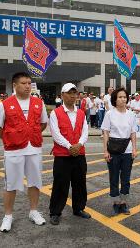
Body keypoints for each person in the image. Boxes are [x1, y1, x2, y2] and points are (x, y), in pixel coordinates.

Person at [0, 72, 48, 232]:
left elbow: (43, 123)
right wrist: (10, 137)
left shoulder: (38, 103)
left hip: (34, 148)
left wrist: (30, 133)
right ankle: (8, 216)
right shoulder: (5, 104)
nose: (28, 86)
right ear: (15, 85)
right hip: (13, 150)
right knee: (11, 184)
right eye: (23, 83)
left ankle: (34, 211)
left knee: (35, 182)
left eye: (29, 83)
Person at [48, 83, 91, 225]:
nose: (73, 96)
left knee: (80, 183)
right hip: (62, 156)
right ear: (62, 95)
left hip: (79, 154)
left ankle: (78, 208)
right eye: (69, 93)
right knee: (60, 184)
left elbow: (85, 131)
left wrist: (79, 144)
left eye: (75, 93)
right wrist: (69, 146)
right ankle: (55, 212)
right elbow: (55, 133)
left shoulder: (81, 113)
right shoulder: (56, 113)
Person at [101, 87, 137, 215]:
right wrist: (105, 151)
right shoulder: (110, 114)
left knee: (126, 178)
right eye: (120, 97)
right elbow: (105, 133)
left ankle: (124, 203)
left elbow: (133, 132)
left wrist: (134, 148)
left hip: (127, 150)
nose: (123, 99)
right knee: (114, 177)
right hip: (113, 149)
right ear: (115, 99)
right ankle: (116, 203)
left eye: (125, 97)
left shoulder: (131, 114)